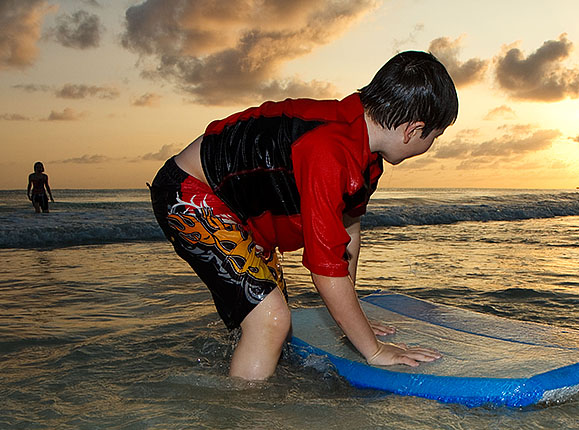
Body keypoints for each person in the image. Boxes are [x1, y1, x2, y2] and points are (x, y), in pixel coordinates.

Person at [149, 51, 456, 381]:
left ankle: (231, 381)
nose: (430, 145)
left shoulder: (367, 158)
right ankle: (241, 425)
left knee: (268, 329)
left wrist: (352, 321)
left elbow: (347, 231)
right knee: (271, 319)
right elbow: (325, 270)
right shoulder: (330, 150)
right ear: (414, 130)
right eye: (433, 138)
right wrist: (374, 351)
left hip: (240, 214)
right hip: (189, 192)